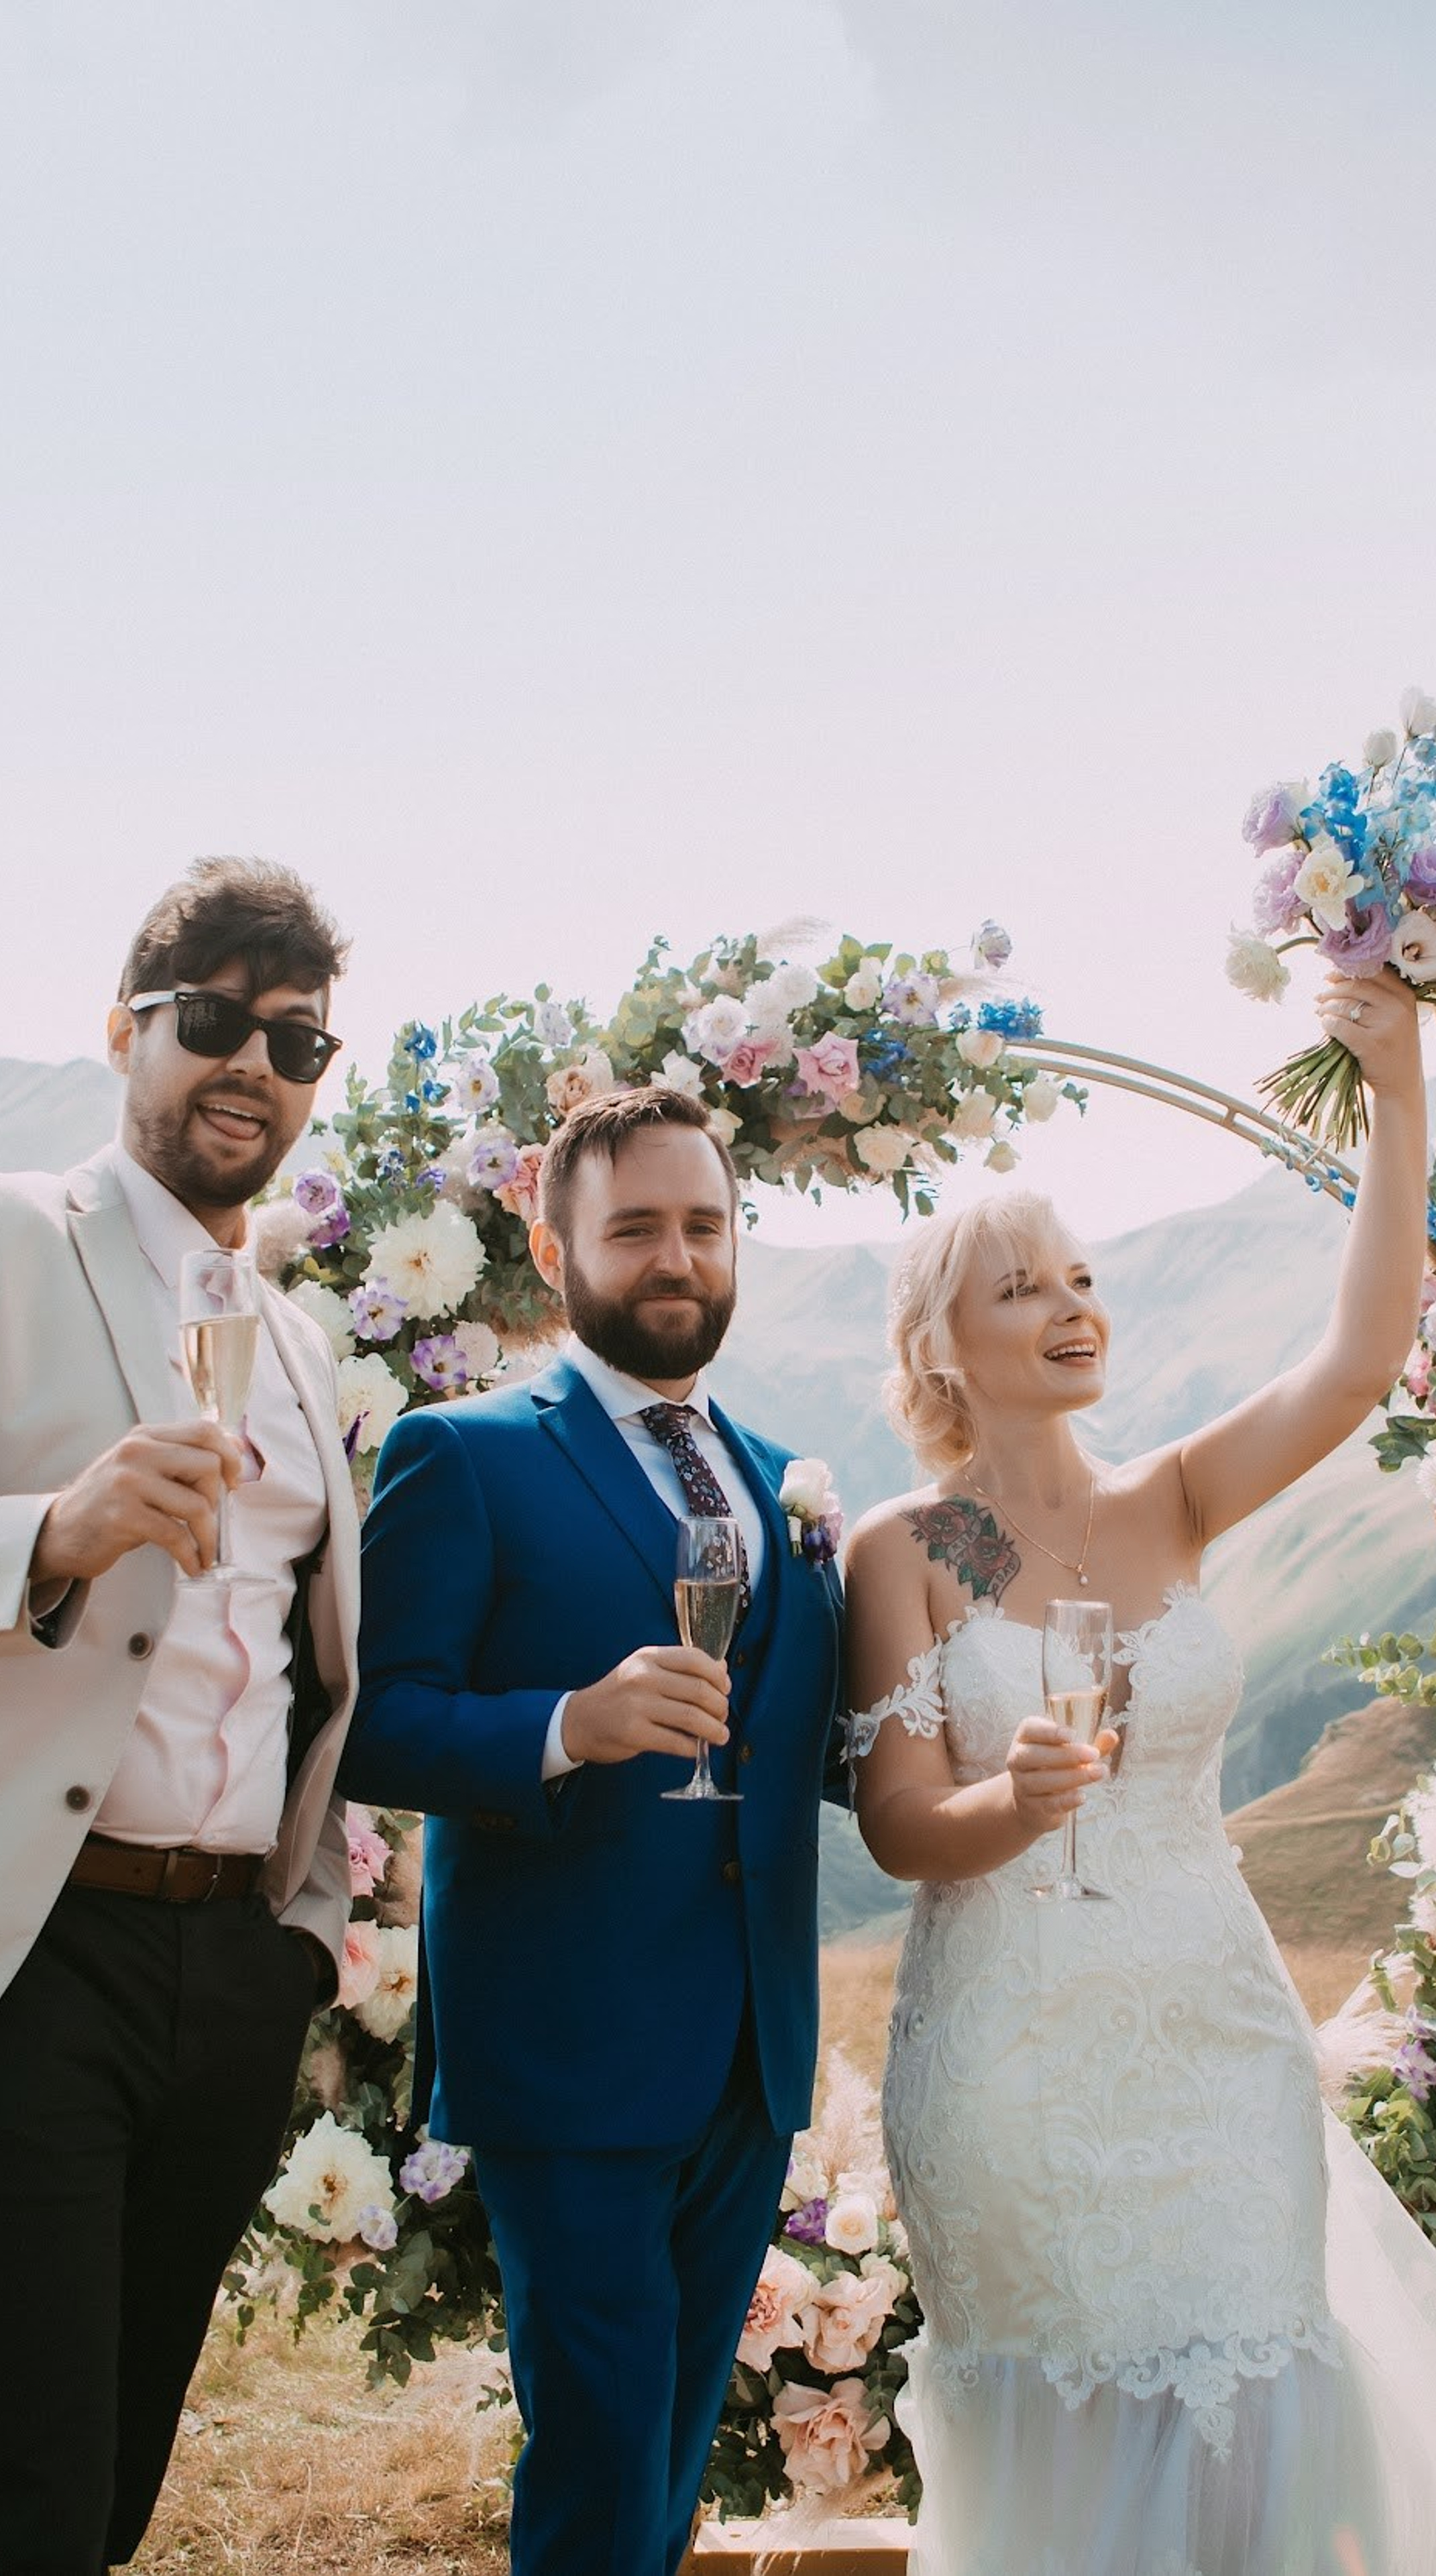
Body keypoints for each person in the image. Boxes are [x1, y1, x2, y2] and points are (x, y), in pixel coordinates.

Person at [846, 969, 1436, 2576]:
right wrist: (1004, 1806)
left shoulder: (1165, 1502)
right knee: (1063, 2451)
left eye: (1081, 1277)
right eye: (1019, 1289)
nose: (1071, 1305)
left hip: (1219, 2052)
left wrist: (1394, 1080)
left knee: (1258, 2410)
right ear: (938, 1345)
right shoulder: (920, 1544)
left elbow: (1360, 1356)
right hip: (1009, 2070)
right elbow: (894, 1825)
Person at [339, 1083, 844, 2576]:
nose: (676, 1256)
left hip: (751, 2060)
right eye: (635, 1229)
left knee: (671, 2451)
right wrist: (567, 1725)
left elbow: (806, 1732)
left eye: (705, 1224)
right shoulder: (466, 1457)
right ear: (556, 1256)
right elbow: (372, 1724)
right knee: (599, 2445)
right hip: (565, 2049)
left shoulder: (780, 1484)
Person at [0, 859, 360, 2576]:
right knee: (36, 2469)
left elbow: (311, 1663)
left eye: (293, 1041)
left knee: (124, 2459)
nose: (249, 1066)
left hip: (230, 1974)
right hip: (39, 1951)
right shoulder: (11, 1240)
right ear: (125, 1031)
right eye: (209, 1022)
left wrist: (297, 1936)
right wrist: (49, 1538)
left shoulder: (294, 1345)